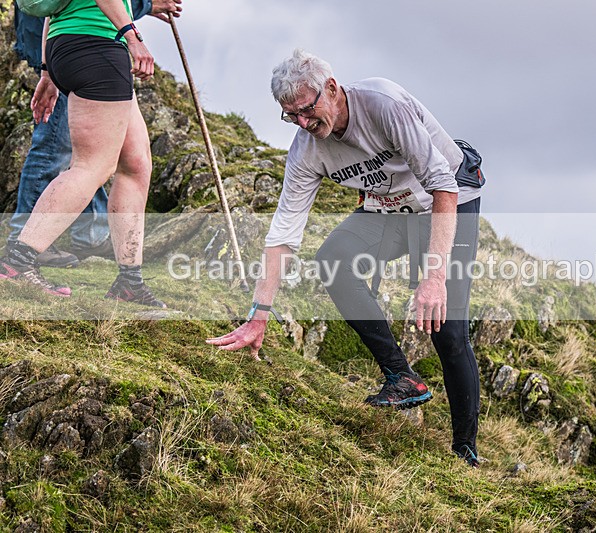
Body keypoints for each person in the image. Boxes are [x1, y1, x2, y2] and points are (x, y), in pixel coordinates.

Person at [207, 50, 484, 467]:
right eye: (290, 116)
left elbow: (444, 185)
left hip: (445, 201)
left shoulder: (383, 105)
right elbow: (284, 233)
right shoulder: (306, 150)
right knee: (333, 259)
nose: (302, 123)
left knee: (446, 329)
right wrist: (258, 315)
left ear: (332, 89)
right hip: (389, 206)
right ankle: (401, 377)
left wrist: (434, 276)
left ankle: (465, 449)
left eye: (306, 110)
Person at [0, 0, 180, 307]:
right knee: (92, 167)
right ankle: (17, 262)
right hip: (96, 46)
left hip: (72, 44)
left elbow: (55, 10)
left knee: (135, 164)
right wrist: (134, 38)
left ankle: (129, 282)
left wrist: (47, 71)